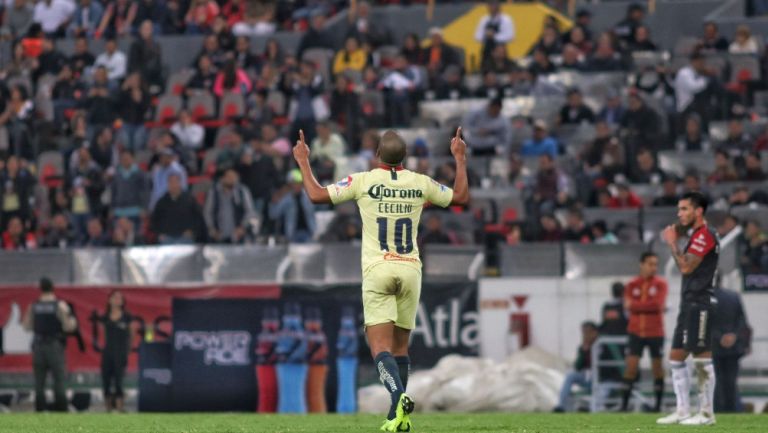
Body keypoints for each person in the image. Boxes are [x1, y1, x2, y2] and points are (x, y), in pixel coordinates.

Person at [292, 127, 468, 432]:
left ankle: (398, 398)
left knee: (379, 349)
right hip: (410, 268)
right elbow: (461, 197)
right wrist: (460, 158)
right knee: (401, 349)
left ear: (377, 157)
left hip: (379, 269)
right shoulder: (419, 183)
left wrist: (303, 162)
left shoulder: (364, 180)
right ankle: (396, 417)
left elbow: (317, 195)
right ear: (406, 157)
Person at [657, 192, 719, 425]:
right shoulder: (696, 235)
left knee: (702, 358)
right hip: (689, 302)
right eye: (679, 209)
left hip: (700, 301)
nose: (679, 213)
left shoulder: (705, 235)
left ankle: (706, 414)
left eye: (684, 209)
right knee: (676, 357)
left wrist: (673, 242)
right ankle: (683, 410)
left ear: (698, 211)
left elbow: (685, 268)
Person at [621, 252, 668, 412]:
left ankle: (657, 406)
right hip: (635, 331)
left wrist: (636, 306)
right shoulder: (632, 284)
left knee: (657, 368)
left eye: (655, 264)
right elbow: (627, 305)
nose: (653, 267)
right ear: (642, 264)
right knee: (631, 368)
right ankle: (624, 406)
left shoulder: (661, 284)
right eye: (650, 264)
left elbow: (657, 305)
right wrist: (648, 306)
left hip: (655, 332)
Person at [22, 278, 77, 412]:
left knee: (39, 382)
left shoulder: (34, 306)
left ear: (40, 288)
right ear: (53, 287)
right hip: (55, 346)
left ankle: (40, 410)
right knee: (59, 380)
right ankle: (61, 411)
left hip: (39, 346)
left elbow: (26, 326)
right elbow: (69, 327)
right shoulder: (59, 305)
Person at [712, 286, 751, 413]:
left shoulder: (704, 299)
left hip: (714, 347)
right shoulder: (733, 296)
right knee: (731, 381)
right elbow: (742, 321)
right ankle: (732, 409)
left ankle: (718, 410)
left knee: (716, 381)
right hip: (734, 348)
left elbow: (704, 324)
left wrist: (719, 337)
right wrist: (733, 335)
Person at [95, 290, 132, 412]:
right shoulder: (105, 317)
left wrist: (127, 351)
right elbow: (103, 333)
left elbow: (131, 335)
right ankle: (108, 408)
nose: (117, 300)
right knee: (106, 379)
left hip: (120, 352)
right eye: (114, 297)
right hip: (108, 352)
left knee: (119, 380)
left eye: (119, 298)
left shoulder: (127, 317)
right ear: (109, 300)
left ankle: (120, 407)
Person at [553, 321, 600, 412]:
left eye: (588, 332)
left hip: (600, 377)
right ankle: (561, 406)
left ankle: (587, 407)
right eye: (584, 333)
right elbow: (578, 366)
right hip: (588, 377)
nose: (585, 336)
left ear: (595, 332)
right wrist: (584, 351)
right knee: (570, 376)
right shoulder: (583, 347)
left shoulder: (601, 344)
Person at [204, 168, 256, 244]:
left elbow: (250, 212)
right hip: (219, 235)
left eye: (234, 177)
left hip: (238, 235)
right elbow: (207, 212)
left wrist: (243, 227)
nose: (232, 179)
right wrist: (212, 229)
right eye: (229, 177)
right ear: (222, 179)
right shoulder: (214, 192)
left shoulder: (242, 191)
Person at [151, 173, 203, 244]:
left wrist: (192, 231)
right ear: (168, 184)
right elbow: (154, 220)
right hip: (167, 238)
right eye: (171, 182)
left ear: (180, 183)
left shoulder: (190, 200)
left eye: (175, 182)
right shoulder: (161, 202)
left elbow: (198, 218)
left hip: (185, 237)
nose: (173, 185)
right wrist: (159, 234)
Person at [474, 1, 515, 66]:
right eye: (490, 5)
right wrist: (485, 35)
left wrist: (494, 36)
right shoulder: (484, 20)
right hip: (487, 50)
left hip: (500, 51)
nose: (492, 7)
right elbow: (477, 36)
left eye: (494, 5)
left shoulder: (506, 19)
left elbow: (510, 36)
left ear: (498, 6)